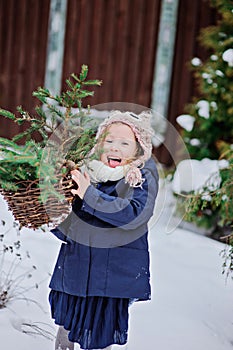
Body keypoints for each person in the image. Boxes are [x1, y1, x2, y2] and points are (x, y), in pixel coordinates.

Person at [48, 110, 159, 350]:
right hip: (77, 267)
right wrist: (54, 216)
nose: (114, 148)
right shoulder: (88, 170)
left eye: (124, 143)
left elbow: (133, 214)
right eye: (109, 141)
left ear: (139, 149)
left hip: (111, 274)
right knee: (67, 326)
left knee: (99, 332)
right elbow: (73, 219)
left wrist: (88, 193)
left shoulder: (140, 175)